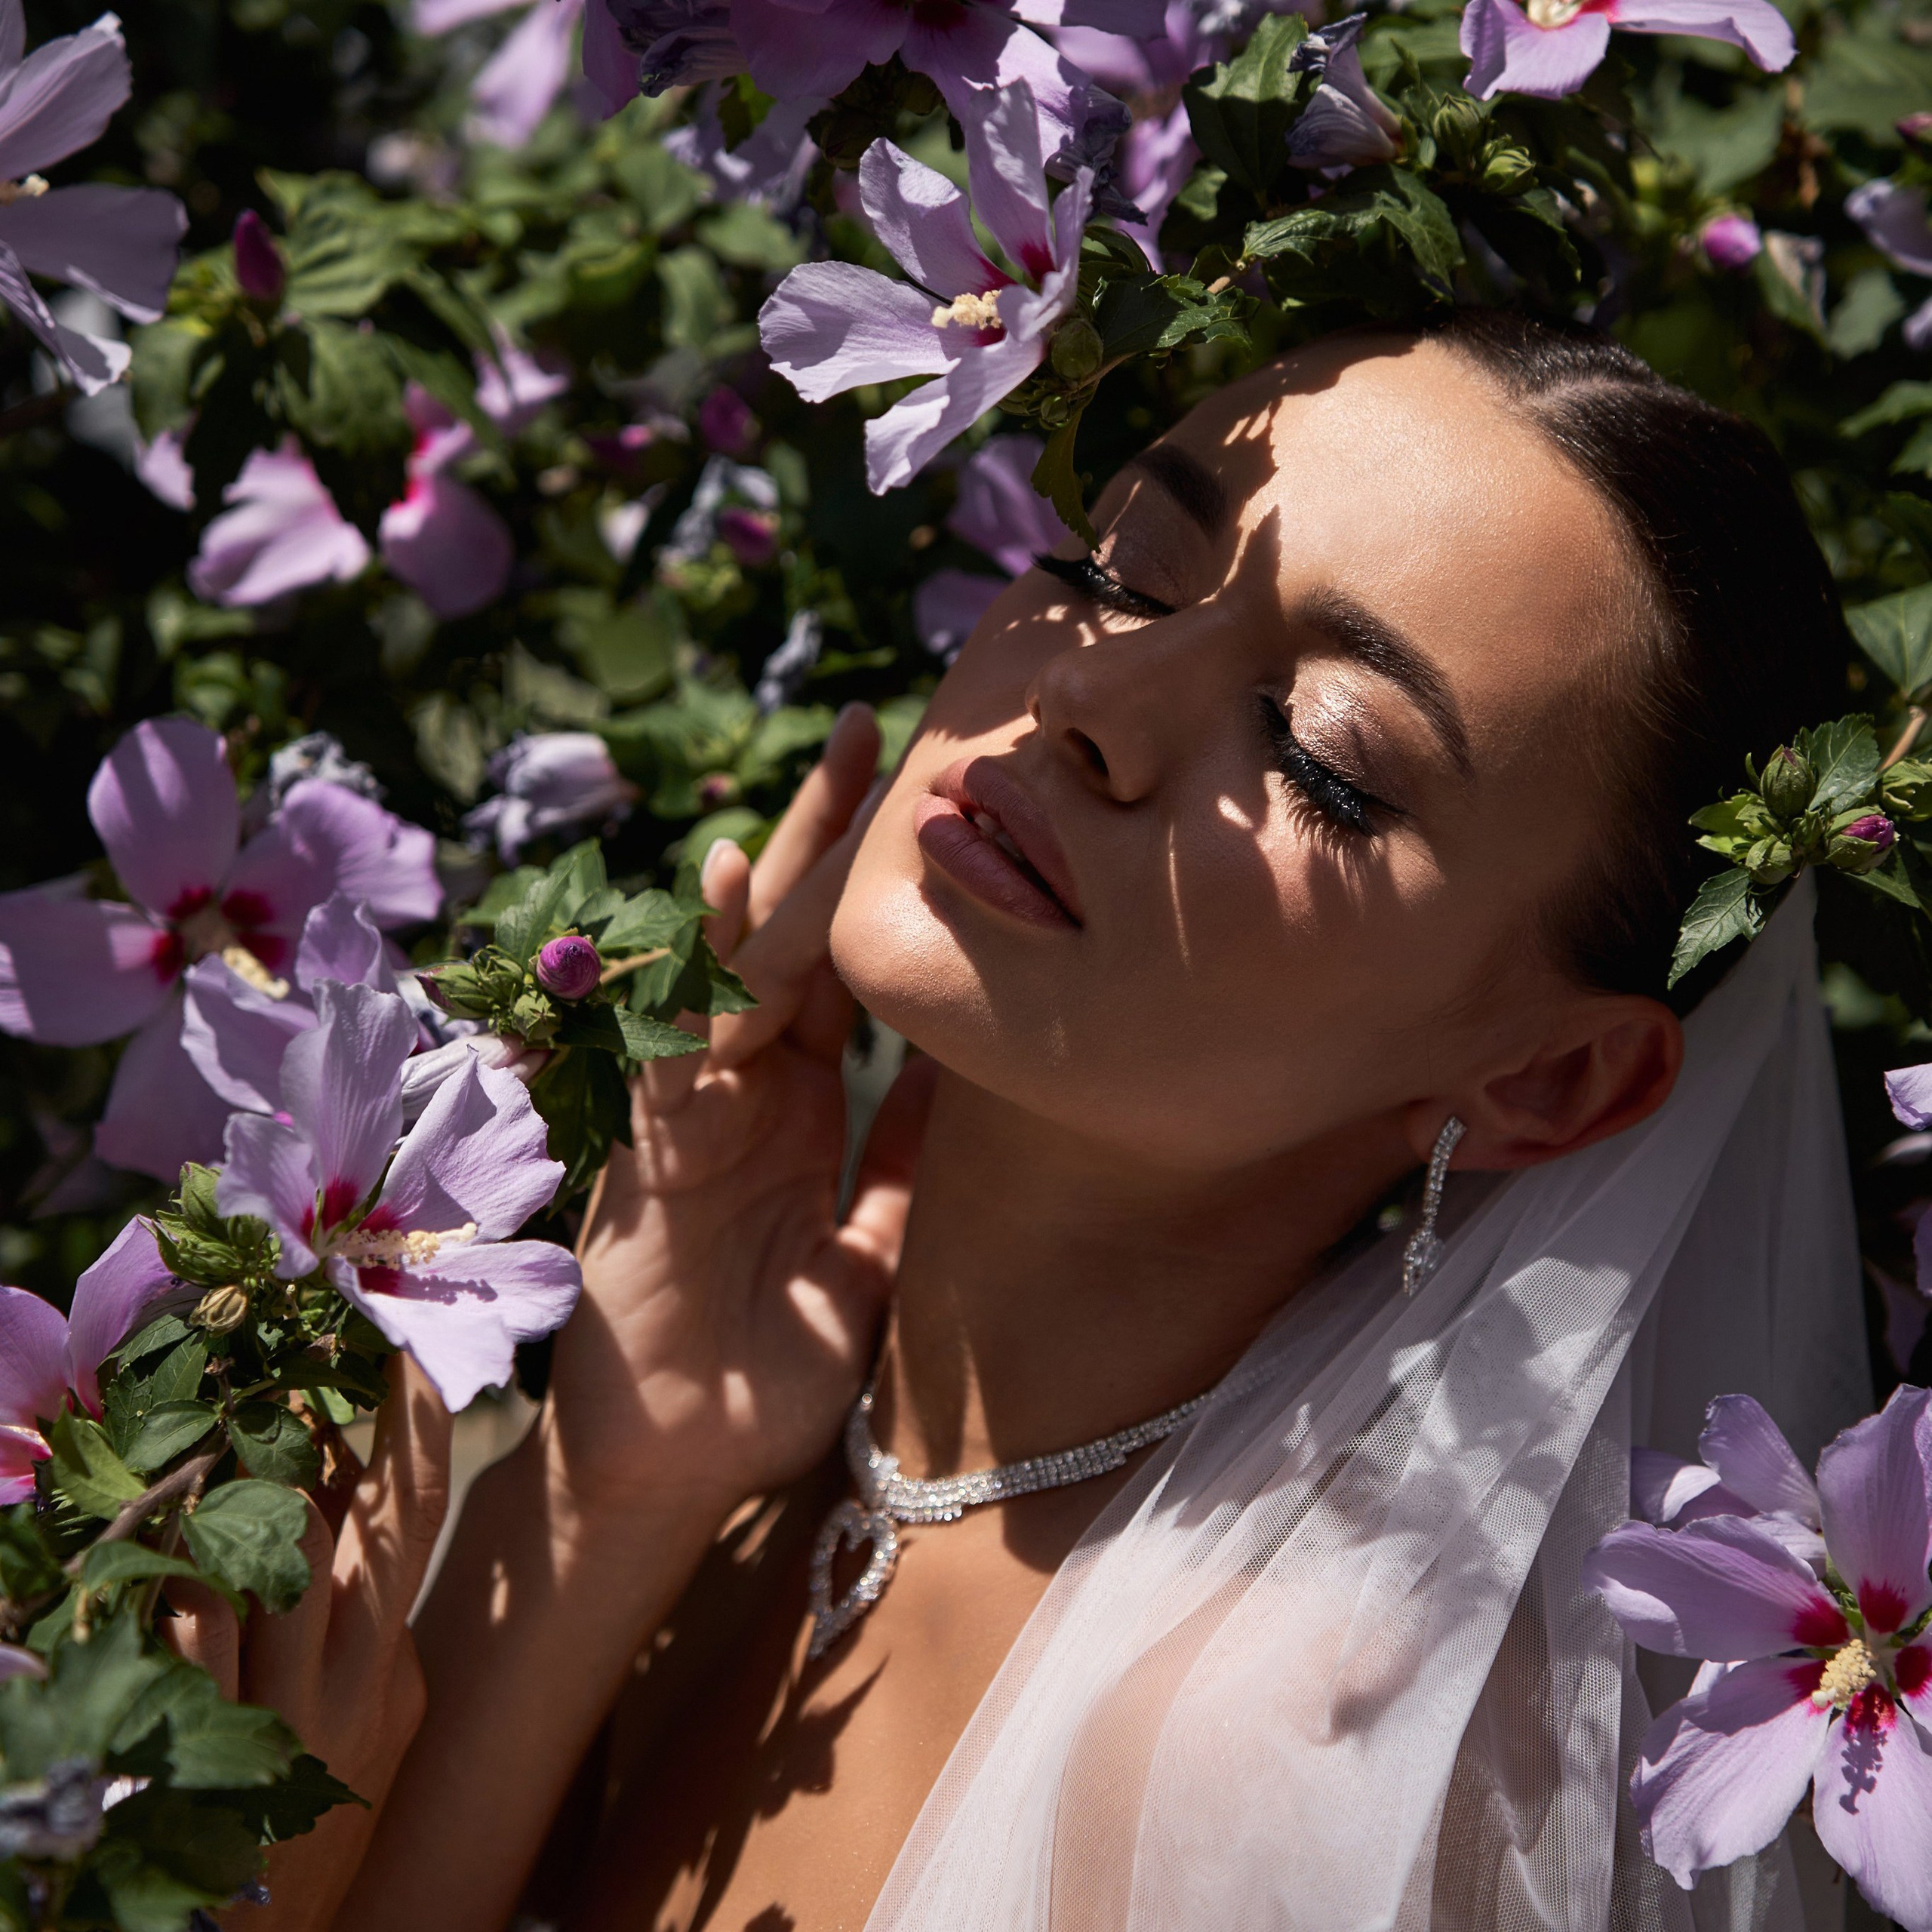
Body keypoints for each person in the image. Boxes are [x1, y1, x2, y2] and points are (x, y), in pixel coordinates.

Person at [204, 312, 1872, 1930]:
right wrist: (616, 1493)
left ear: (1546, 1081)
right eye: (1121, 565)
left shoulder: (1278, 1757)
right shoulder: (729, 1451)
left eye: (1322, 755)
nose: (1094, 690)